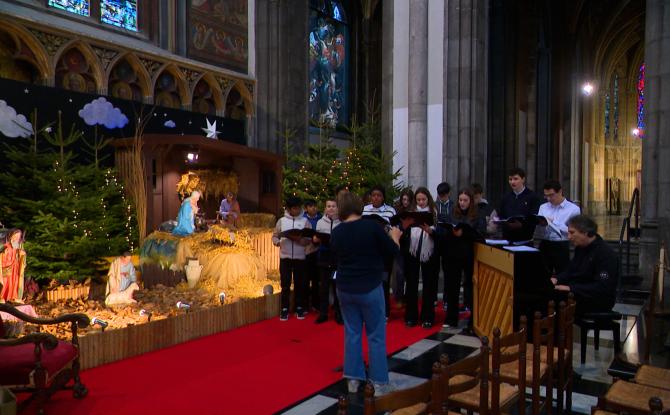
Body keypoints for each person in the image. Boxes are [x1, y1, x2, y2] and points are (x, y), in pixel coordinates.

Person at [330, 191, 401, 396]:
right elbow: (393, 252)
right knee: (376, 335)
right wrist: (395, 237)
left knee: (352, 332)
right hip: (369, 286)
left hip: (344, 288)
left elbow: (336, 257)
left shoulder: (337, 232)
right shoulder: (371, 227)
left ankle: (353, 379)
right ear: (359, 206)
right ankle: (379, 382)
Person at [437, 188, 486, 329]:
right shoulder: (453, 213)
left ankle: (473, 321)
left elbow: (481, 234)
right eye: (460, 200)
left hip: (470, 254)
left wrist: (464, 233)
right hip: (453, 254)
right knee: (452, 287)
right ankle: (451, 318)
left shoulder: (477, 215)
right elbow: (447, 231)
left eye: (465, 200)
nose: (462, 203)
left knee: (470, 287)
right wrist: (452, 232)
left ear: (470, 201)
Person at [551, 214, 618, 317]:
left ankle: (557, 331)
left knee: (552, 301)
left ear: (585, 233)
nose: (568, 237)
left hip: (596, 300)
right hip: (578, 293)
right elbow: (570, 271)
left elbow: (602, 287)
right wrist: (556, 279)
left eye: (572, 233)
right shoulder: (581, 248)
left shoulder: (605, 253)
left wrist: (570, 288)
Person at [401, 187, 439, 328]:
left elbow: (440, 232)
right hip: (412, 251)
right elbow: (403, 232)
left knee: (429, 285)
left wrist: (430, 231)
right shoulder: (411, 212)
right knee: (411, 284)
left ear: (428, 199)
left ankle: (427, 317)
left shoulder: (434, 212)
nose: (421, 202)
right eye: (418, 200)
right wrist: (405, 226)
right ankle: (411, 316)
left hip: (429, 252)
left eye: (423, 199)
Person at [272, 196, 312, 321]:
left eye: (298, 208)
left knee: (300, 284)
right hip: (285, 257)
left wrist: (301, 240)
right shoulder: (282, 221)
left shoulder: (305, 221)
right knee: (285, 284)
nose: (297, 210)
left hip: (300, 257)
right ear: (289, 209)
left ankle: (299, 307)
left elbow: (310, 239)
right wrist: (278, 242)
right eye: (294, 208)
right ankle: (284, 308)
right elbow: (275, 236)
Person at [362, 185, 396, 318]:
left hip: (384, 251)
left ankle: (384, 311)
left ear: (383, 197)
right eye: (373, 195)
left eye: (379, 195)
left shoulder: (390, 211)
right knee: (369, 282)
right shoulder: (364, 210)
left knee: (384, 282)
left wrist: (384, 227)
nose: (376, 198)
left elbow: (394, 229)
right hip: (369, 251)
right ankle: (369, 312)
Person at [537, 180, 581, 274]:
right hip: (545, 243)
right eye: (546, 195)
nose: (548, 198)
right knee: (542, 274)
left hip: (561, 245)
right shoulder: (543, 207)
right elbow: (539, 227)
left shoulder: (573, 209)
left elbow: (573, 230)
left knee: (562, 274)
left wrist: (553, 222)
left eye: (551, 195)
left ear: (560, 191)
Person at [495, 167, 542, 242]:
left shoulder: (532, 197)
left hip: (525, 240)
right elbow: (500, 215)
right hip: (507, 239)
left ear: (523, 179)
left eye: (515, 179)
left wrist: (522, 224)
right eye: (510, 179)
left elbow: (534, 218)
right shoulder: (505, 197)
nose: (512, 182)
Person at [314, 198, 341, 324]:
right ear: (325, 208)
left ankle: (338, 313)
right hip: (324, 258)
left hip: (337, 259)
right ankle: (323, 313)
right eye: (328, 206)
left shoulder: (341, 222)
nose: (331, 208)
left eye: (333, 206)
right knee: (323, 287)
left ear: (338, 208)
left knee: (337, 286)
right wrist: (316, 239)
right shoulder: (320, 222)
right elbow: (315, 239)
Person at [391, 188, 415, 305]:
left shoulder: (414, 211)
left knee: (409, 272)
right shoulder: (397, 210)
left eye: (408, 200)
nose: (405, 202)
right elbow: (394, 225)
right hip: (400, 243)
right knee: (399, 272)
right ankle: (399, 297)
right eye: (404, 199)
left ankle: (408, 296)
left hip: (410, 244)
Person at [303, 199, 322, 311]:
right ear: (306, 208)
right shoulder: (303, 219)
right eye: (310, 206)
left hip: (318, 251)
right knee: (305, 279)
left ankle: (316, 303)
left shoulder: (321, 219)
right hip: (306, 251)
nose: (313, 208)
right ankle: (305, 304)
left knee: (316, 279)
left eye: (315, 206)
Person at [0, 229, 26, 303]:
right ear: (11, 236)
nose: (17, 238)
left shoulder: (18, 245)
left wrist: (22, 254)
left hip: (15, 268)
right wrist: (3, 254)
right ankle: (1, 296)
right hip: (6, 267)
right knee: (5, 282)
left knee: (14, 282)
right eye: (15, 236)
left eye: (18, 236)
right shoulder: (5, 245)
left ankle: (12, 297)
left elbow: (21, 255)